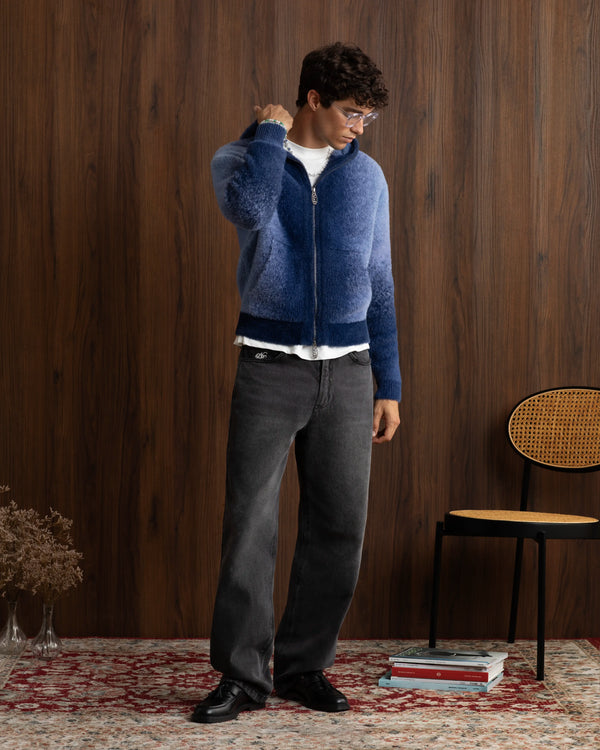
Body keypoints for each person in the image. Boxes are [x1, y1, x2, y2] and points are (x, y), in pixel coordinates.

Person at [192, 42, 401, 724]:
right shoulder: (241, 157)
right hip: (270, 366)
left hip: (350, 372)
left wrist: (389, 383)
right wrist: (267, 135)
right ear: (313, 98)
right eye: (350, 113)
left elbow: (380, 280)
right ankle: (242, 678)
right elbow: (250, 212)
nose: (358, 128)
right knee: (249, 526)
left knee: (340, 526)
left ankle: (304, 667)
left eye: (367, 117)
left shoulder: (367, 177)